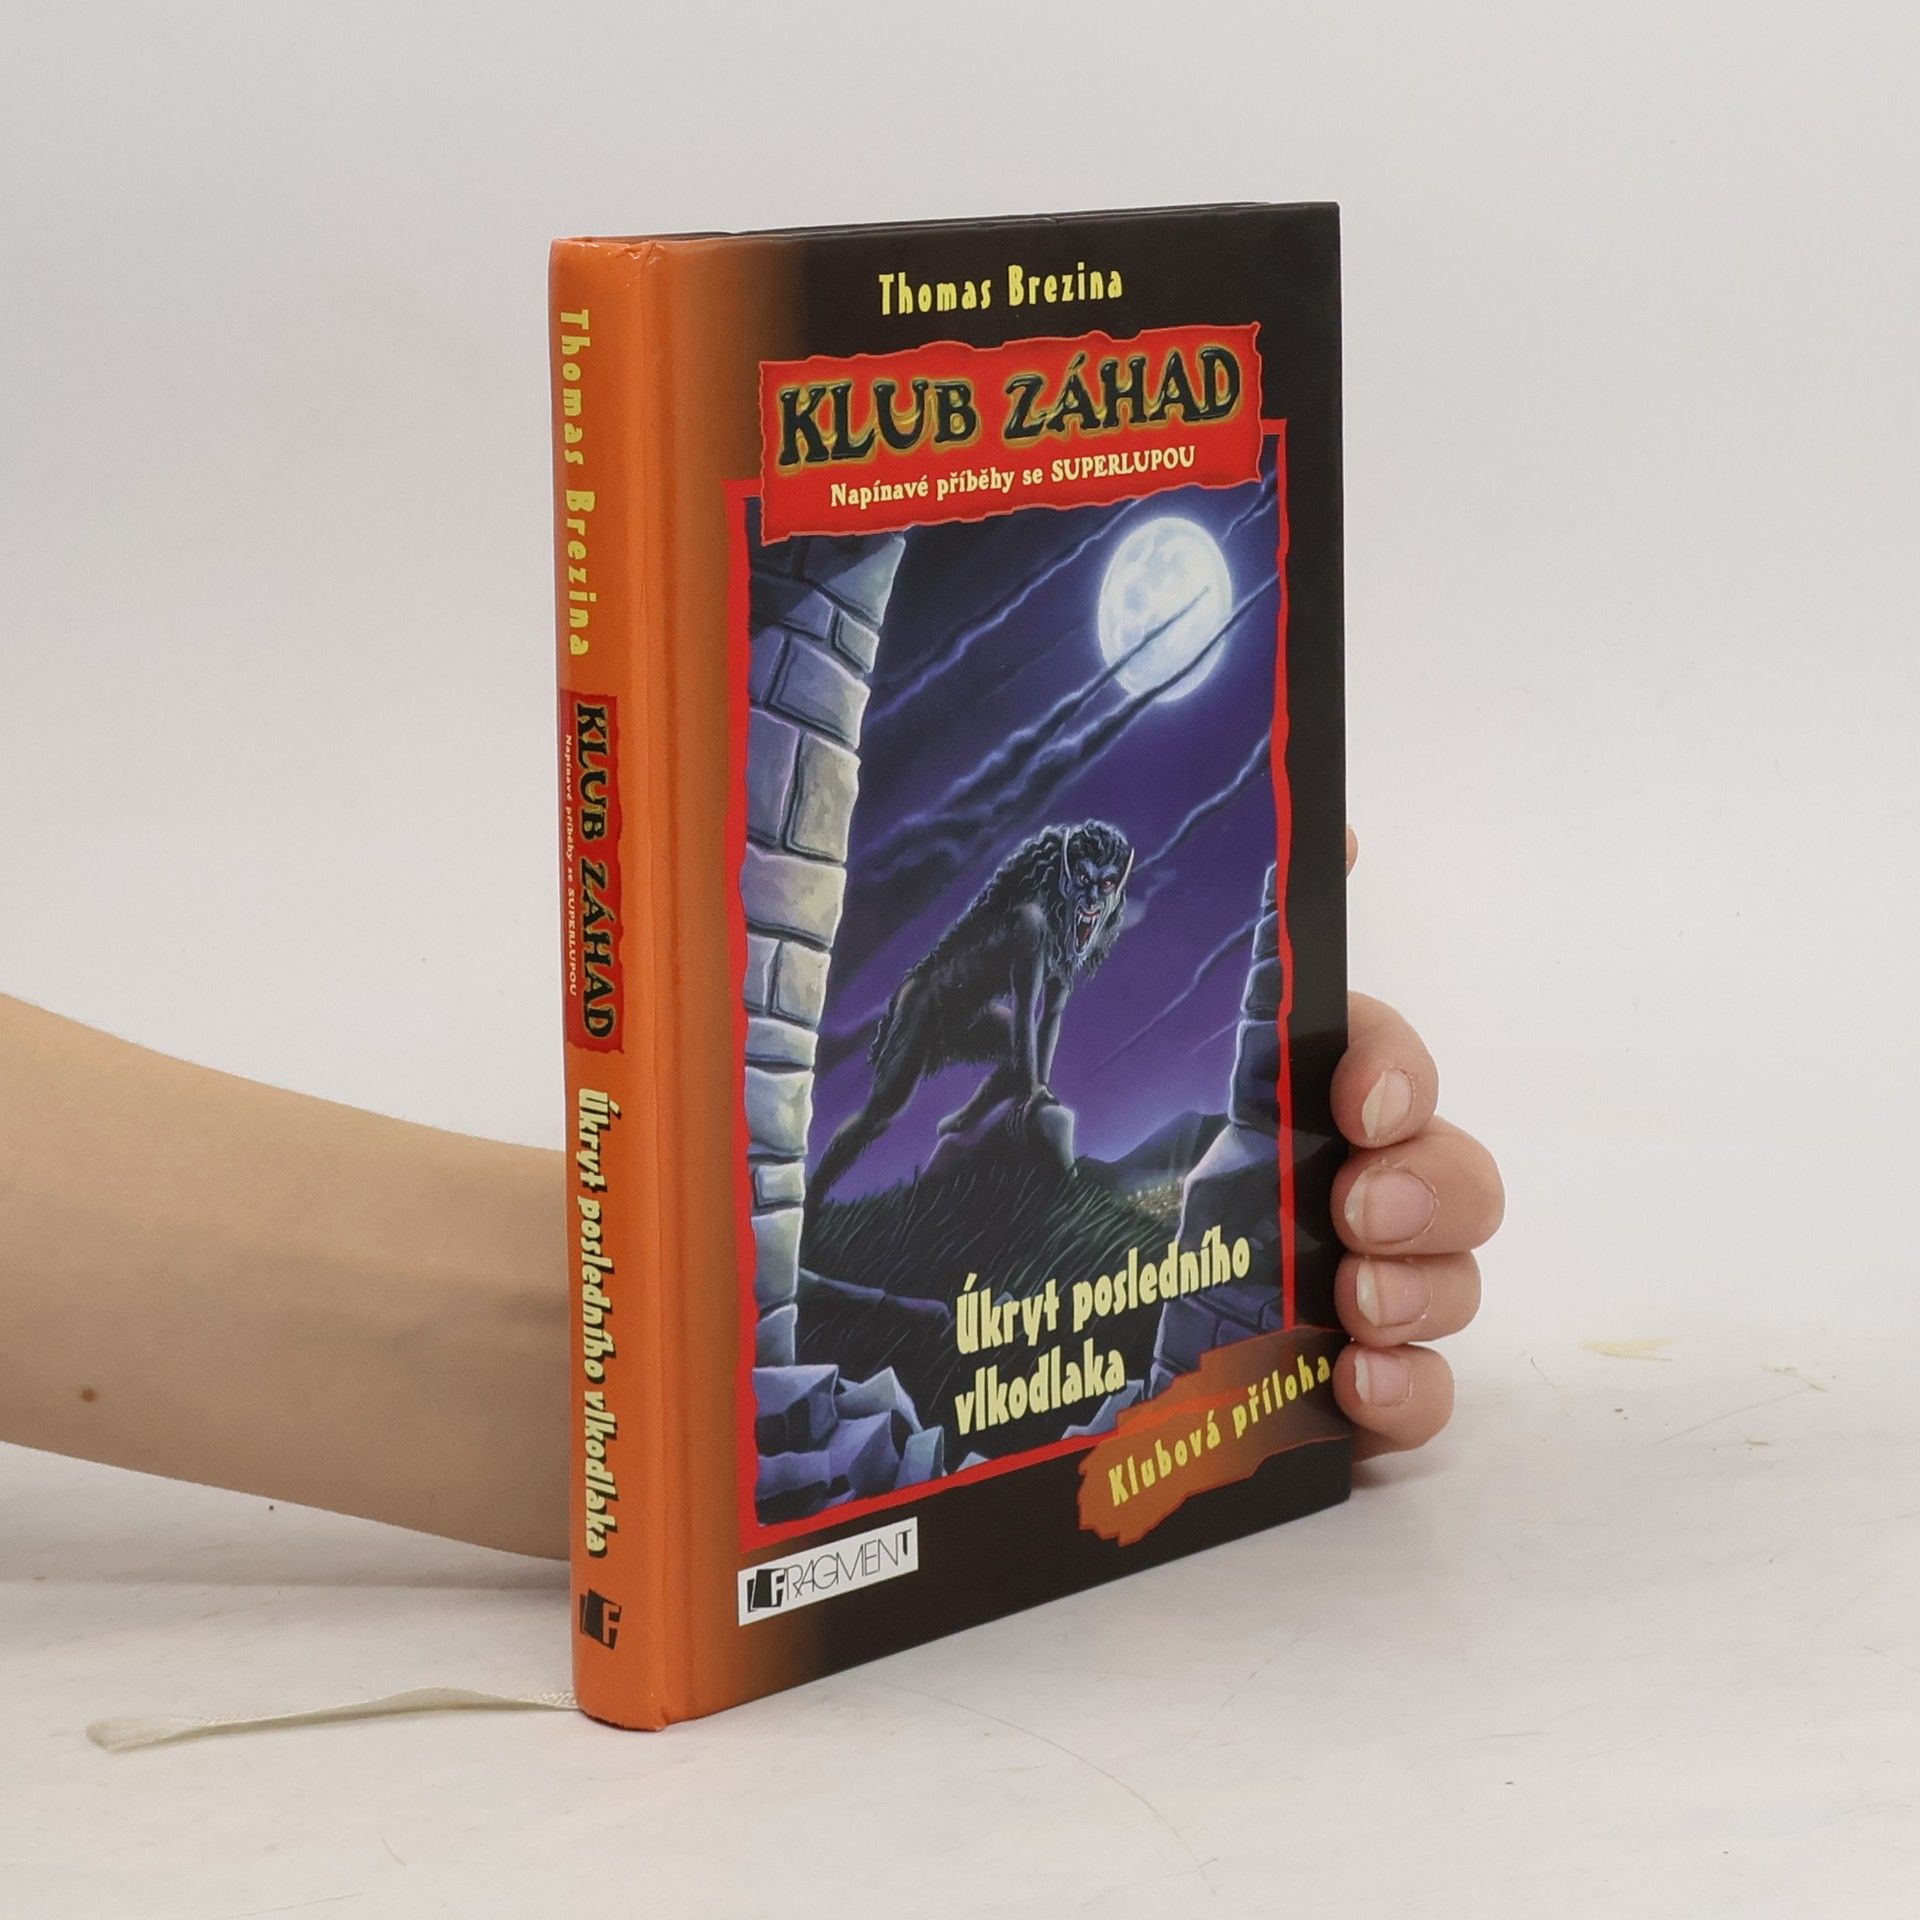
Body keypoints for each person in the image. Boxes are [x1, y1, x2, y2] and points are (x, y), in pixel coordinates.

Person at [0, 839, 1503, 1561]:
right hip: (935, 1031)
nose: (1103, 914)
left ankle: (805, 1261)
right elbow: (1032, 1012)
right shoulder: (1022, 925)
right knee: (897, 1125)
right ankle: (836, 1218)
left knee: (973, 1151)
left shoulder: (1061, 914)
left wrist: (627, 1344)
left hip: (688, 1367)